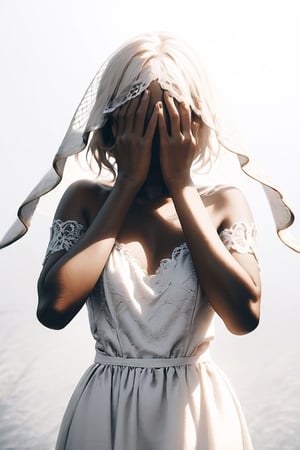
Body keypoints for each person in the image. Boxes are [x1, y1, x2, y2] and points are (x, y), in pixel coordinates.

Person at [0, 33, 298, 450]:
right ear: (112, 121)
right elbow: (53, 308)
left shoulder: (224, 204)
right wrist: (128, 182)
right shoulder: (85, 200)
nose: (156, 133)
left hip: (198, 417)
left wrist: (181, 184)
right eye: (140, 118)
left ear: (195, 121)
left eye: (171, 117)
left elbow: (244, 316)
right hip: (105, 411)